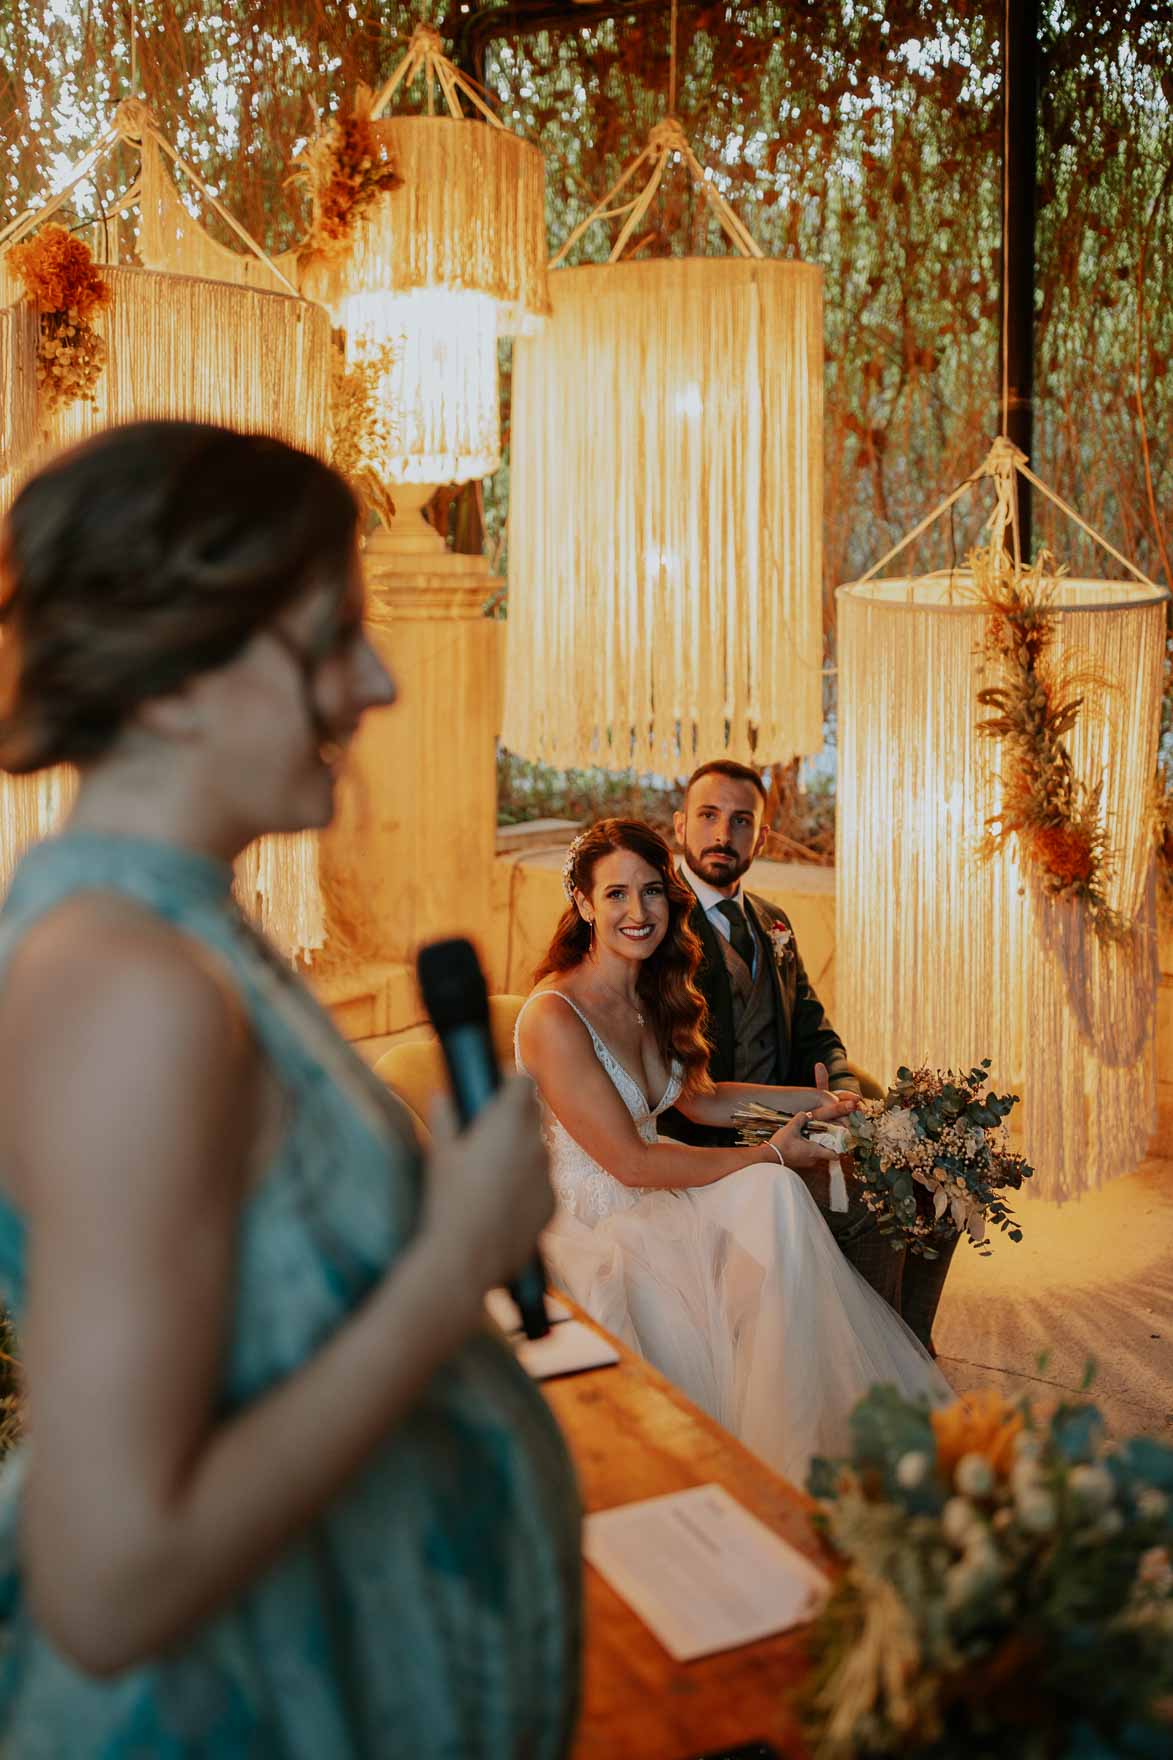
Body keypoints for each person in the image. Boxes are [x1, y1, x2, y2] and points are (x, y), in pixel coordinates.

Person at [0, 422, 580, 1756]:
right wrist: (455, 1264)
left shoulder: (183, 932)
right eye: (327, 637)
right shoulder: (124, 985)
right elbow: (108, 1584)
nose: (372, 682)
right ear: (173, 683)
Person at [515, 818, 949, 1486]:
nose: (638, 912)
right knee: (770, 1189)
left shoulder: (645, 991)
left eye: (652, 892)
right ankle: (778, 1446)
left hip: (657, 1193)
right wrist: (772, 1156)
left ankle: (799, 1427)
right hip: (597, 1219)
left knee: (772, 1201)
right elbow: (630, 1161)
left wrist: (813, 1104)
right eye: (616, 895)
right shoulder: (553, 1015)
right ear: (581, 903)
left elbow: (700, 1100)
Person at [660, 759, 956, 1352]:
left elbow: (817, 1031)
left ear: (761, 836)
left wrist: (844, 1086)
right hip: (718, 1144)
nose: (723, 834)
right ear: (680, 826)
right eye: (709, 816)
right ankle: (866, 1369)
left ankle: (911, 1352)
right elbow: (680, 1090)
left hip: (807, 1116)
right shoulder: (659, 925)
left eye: (741, 821)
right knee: (883, 1204)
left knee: (941, 1186)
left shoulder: (774, 923)